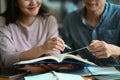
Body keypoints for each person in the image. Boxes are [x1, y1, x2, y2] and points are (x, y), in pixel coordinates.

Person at [0, 0, 65, 73]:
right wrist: (42, 49)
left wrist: (51, 65)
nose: (33, 2)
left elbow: (54, 57)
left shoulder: (49, 20)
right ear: (15, 2)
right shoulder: (3, 22)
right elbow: (7, 60)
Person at [61, 0, 120, 66]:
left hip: (115, 73)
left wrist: (114, 50)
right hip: (82, 74)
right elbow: (66, 55)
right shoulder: (70, 19)